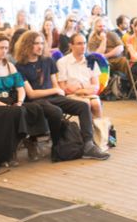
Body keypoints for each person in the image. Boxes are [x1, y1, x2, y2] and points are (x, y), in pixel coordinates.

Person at [14, 31, 108, 160]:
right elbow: (31, 93)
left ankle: (88, 145)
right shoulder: (19, 66)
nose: (40, 46)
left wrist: (59, 90)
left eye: (42, 43)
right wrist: (56, 90)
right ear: (27, 45)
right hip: (34, 101)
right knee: (56, 112)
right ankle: (57, 147)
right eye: (36, 43)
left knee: (83, 106)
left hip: (53, 97)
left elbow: (54, 84)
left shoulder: (48, 61)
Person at [0, 33, 50, 167]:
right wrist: (6, 106)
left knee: (34, 108)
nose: (4, 51)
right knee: (14, 113)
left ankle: (31, 140)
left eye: (6, 48)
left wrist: (19, 102)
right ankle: (10, 151)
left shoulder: (9, 66)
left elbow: (21, 88)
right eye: (1, 47)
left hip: (12, 102)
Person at [57, 33, 105, 121]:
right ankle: (88, 132)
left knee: (96, 104)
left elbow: (96, 85)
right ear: (71, 45)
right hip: (71, 95)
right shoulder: (62, 62)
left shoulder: (91, 61)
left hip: (87, 93)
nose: (83, 46)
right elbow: (63, 87)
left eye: (84, 43)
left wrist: (82, 90)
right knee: (86, 103)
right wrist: (81, 90)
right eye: (79, 43)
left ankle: (100, 132)